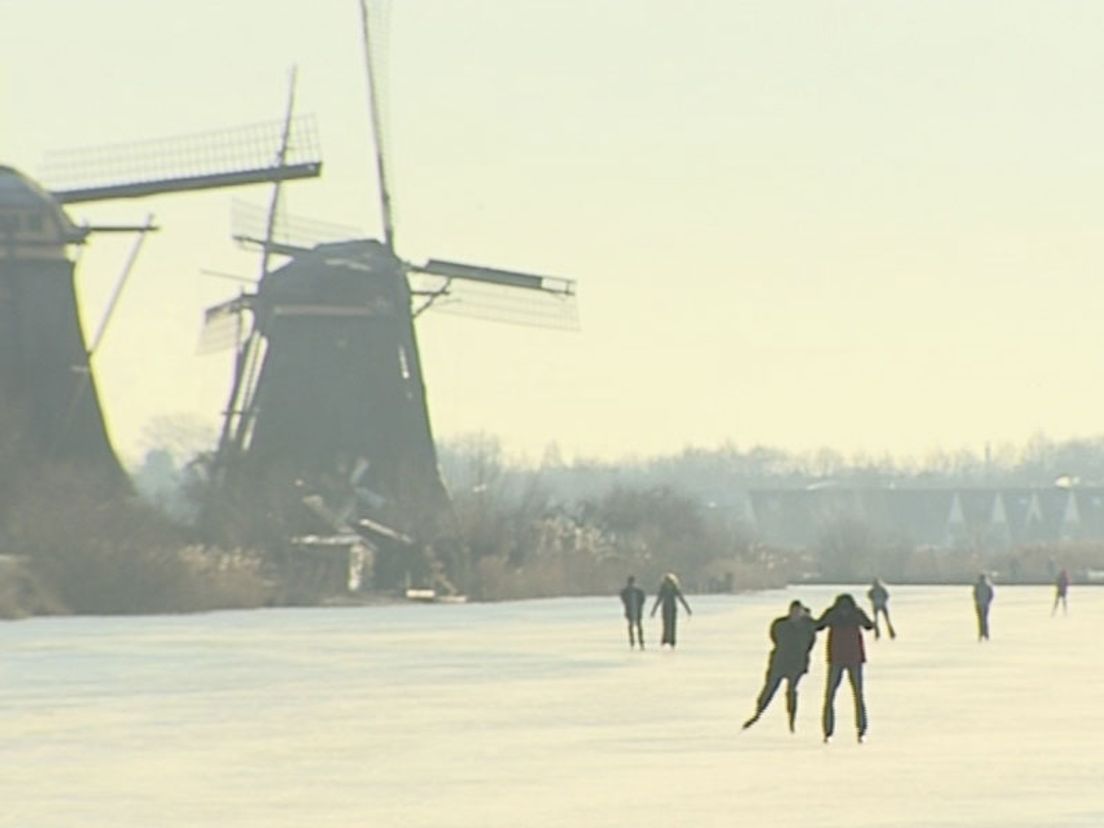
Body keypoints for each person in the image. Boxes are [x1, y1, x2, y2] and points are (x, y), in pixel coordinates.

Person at [742, 600, 818, 733]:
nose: (794, 614)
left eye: (798, 612)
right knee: (770, 688)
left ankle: (792, 719)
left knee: (791, 691)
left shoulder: (808, 626)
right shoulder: (780, 624)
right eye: (793, 612)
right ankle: (759, 712)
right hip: (779, 661)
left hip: (797, 663)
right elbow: (774, 637)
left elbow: (810, 642)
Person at [815, 593, 875, 743]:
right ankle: (861, 730)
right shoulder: (856, 613)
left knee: (830, 696)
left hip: (837, 658)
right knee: (858, 696)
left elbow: (818, 626)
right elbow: (869, 626)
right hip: (854, 658)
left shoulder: (833, 613)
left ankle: (828, 731)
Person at [650, 572, 692, 648]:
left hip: (670, 608)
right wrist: (653, 610)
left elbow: (681, 598)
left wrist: (687, 609)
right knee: (669, 624)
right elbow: (659, 600)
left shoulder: (670, 589)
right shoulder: (668, 589)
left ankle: (669, 640)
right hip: (669, 608)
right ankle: (668, 640)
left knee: (669, 624)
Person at [619, 575, 646, 648]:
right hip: (631, 610)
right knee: (632, 626)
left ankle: (640, 641)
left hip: (636, 610)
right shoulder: (626, 591)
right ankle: (633, 641)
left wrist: (640, 605)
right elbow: (623, 598)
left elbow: (643, 599)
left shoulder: (638, 591)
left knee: (638, 626)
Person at [973, 573, 994, 641]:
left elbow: (975, 595)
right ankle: (986, 634)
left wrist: (977, 601)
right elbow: (991, 595)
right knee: (985, 619)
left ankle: (981, 633)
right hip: (985, 605)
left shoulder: (977, 585)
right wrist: (988, 602)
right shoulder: (988, 585)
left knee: (980, 620)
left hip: (979, 605)